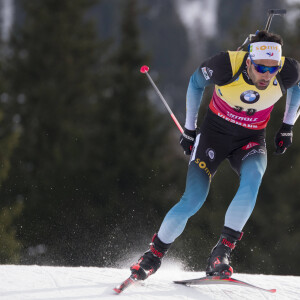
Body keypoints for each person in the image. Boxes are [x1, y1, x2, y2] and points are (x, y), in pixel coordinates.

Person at [130, 30, 300, 280]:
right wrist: (189, 129)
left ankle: (221, 253)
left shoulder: (288, 70)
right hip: (213, 137)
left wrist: (287, 126)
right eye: (261, 68)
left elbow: (298, 86)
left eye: (272, 69)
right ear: (249, 61)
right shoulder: (225, 65)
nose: (267, 76)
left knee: (252, 181)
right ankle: (153, 256)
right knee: (194, 199)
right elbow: (195, 83)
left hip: (251, 140)